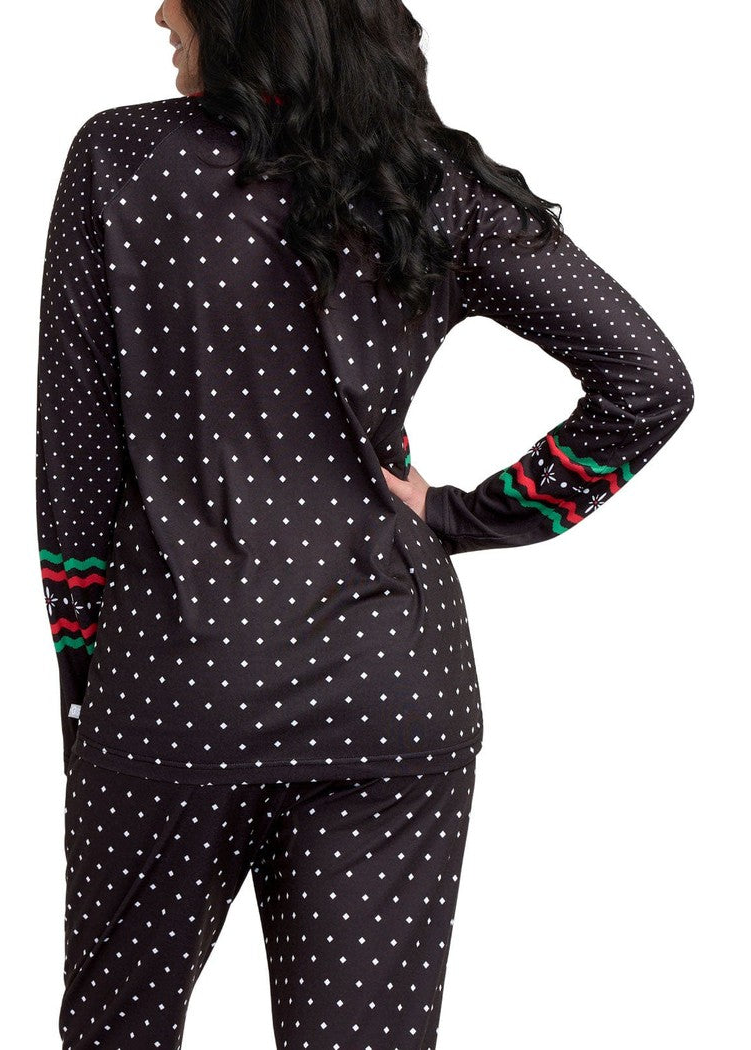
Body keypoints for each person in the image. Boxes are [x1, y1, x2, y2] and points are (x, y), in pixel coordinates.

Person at [34, 2, 695, 1047]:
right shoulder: (425, 180)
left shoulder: (122, 159)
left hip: (171, 686)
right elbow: (650, 384)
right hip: (388, 686)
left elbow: (74, 461)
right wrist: (467, 519)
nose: (159, 8)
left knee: (117, 1030)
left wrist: (86, 680)